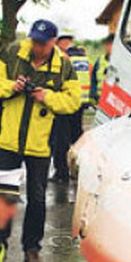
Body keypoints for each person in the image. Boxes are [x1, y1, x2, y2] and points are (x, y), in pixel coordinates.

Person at [0, 19, 81, 262]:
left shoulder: (64, 66)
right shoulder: (12, 52)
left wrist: (46, 96)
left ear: (53, 43)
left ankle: (32, 249)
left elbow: (72, 102)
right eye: (34, 41)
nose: (37, 47)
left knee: (36, 200)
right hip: (8, 141)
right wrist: (10, 86)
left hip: (39, 144)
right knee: (3, 197)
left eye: (43, 43)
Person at [51, 44, 91, 183]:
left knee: (61, 140)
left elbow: (57, 81)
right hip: (80, 103)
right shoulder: (85, 61)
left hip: (65, 103)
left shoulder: (64, 60)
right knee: (77, 137)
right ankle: (83, 169)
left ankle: (61, 173)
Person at [90, 34, 114, 105]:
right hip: (100, 99)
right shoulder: (100, 60)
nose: (109, 48)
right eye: (108, 45)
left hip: (114, 101)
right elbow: (93, 79)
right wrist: (94, 94)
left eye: (111, 45)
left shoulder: (122, 62)